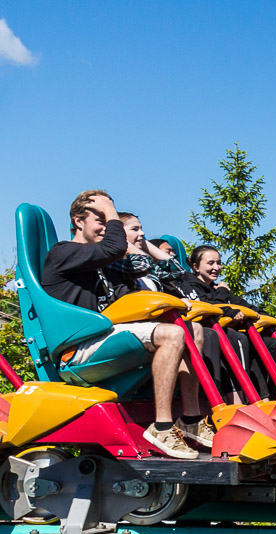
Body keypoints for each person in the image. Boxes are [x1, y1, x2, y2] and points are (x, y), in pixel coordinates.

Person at [41, 190, 210, 459]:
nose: (106, 227)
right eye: (100, 220)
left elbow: (151, 269)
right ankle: (163, 427)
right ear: (78, 220)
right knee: (171, 334)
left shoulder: (99, 264)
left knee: (193, 331)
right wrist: (111, 211)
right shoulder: (64, 252)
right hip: (78, 349)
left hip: (103, 338)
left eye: (109, 221)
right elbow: (113, 247)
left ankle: (190, 419)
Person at [174, 246, 276, 401]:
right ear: (195, 266)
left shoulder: (217, 287)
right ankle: (253, 399)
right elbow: (209, 305)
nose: (216, 267)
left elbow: (248, 306)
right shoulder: (190, 285)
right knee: (243, 340)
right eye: (211, 263)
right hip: (211, 331)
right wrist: (222, 293)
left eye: (219, 263)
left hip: (226, 330)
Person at [106, 213, 184, 293]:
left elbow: (178, 271)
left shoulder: (147, 264)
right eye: (135, 229)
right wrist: (120, 239)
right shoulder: (113, 262)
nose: (142, 233)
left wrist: (146, 244)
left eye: (141, 229)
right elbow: (143, 266)